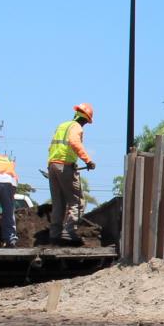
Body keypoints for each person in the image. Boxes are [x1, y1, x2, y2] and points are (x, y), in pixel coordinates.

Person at [46, 103, 95, 246]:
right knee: (77, 202)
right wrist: (88, 160)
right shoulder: (76, 127)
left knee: (58, 203)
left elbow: (51, 146)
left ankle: (54, 235)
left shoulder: (62, 126)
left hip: (52, 165)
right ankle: (68, 231)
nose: (85, 124)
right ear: (84, 119)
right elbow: (74, 142)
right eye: (86, 121)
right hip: (65, 166)